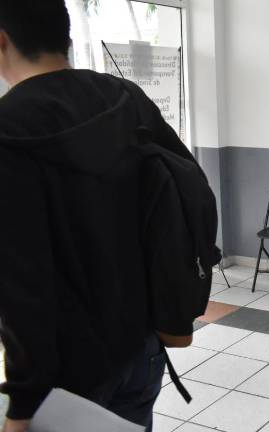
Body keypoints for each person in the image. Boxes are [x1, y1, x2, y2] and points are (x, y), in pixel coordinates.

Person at [0, 1, 205, 431]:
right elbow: (189, 193)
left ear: (2, 41)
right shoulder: (125, 98)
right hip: (140, 346)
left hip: (64, 377)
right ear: (67, 38)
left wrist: (22, 404)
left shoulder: (9, 127)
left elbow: (22, 280)